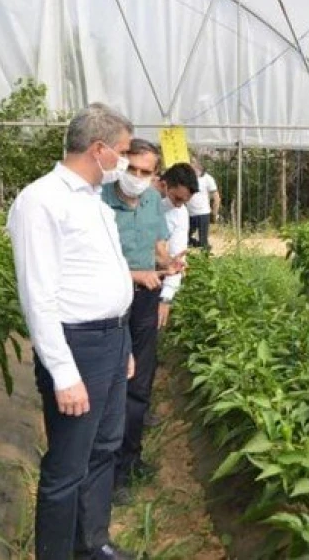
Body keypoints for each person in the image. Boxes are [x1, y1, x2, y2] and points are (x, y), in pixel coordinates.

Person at [6, 103, 136, 560]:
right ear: (98, 149)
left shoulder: (92, 200)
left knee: (104, 448)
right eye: (121, 151)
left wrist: (124, 344)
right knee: (67, 465)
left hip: (112, 340)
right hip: (77, 346)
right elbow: (38, 296)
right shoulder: (41, 201)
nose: (124, 161)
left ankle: (93, 542)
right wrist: (64, 372)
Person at [102, 139, 184, 497]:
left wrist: (169, 263)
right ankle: (106, 469)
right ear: (120, 164)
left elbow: (157, 244)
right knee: (112, 380)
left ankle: (130, 460)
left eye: (145, 172)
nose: (137, 177)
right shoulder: (99, 200)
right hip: (109, 300)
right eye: (131, 168)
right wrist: (134, 274)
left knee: (140, 380)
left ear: (155, 176)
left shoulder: (152, 200)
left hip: (146, 298)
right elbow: (95, 259)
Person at [153, 163, 199, 327]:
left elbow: (178, 256)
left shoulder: (179, 213)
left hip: (151, 280)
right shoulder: (140, 200)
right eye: (177, 198)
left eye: (185, 201)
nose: (179, 204)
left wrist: (166, 297)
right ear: (164, 185)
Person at [186, 158, 220, 250]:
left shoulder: (208, 178)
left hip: (203, 213)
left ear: (198, 165)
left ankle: (205, 258)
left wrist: (214, 212)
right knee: (184, 238)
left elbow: (216, 197)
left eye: (192, 164)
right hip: (189, 213)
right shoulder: (188, 178)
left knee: (203, 239)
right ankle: (203, 246)